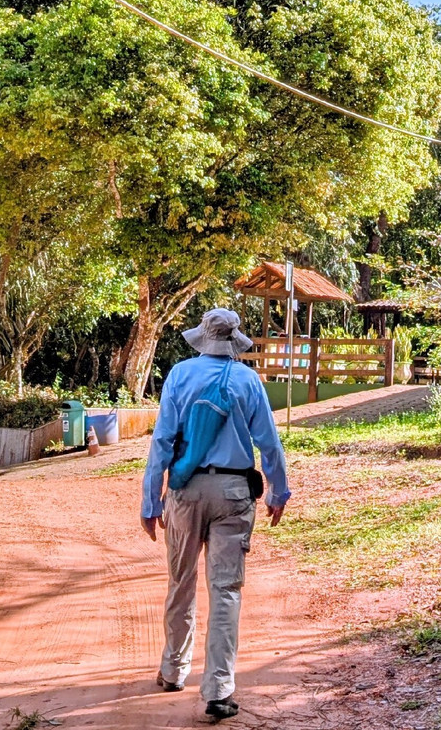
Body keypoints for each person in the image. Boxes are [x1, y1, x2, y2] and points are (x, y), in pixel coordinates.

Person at [140, 308, 291, 720]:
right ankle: (219, 691)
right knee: (225, 590)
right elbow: (269, 444)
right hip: (234, 492)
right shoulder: (247, 380)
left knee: (181, 581)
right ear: (234, 340)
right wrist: (278, 491)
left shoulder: (180, 375)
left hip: (185, 492)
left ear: (204, 337)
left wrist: (151, 502)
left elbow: (162, 442)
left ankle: (173, 670)